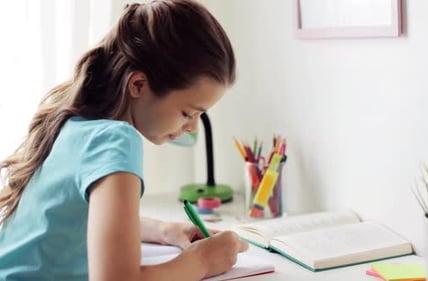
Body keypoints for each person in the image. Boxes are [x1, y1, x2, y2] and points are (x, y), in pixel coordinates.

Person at [0, 0, 248, 280]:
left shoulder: (73, 124)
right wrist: (203, 262)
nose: (190, 128)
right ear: (138, 84)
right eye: (187, 113)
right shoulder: (115, 139)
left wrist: (164, 231)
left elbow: (79, 223)